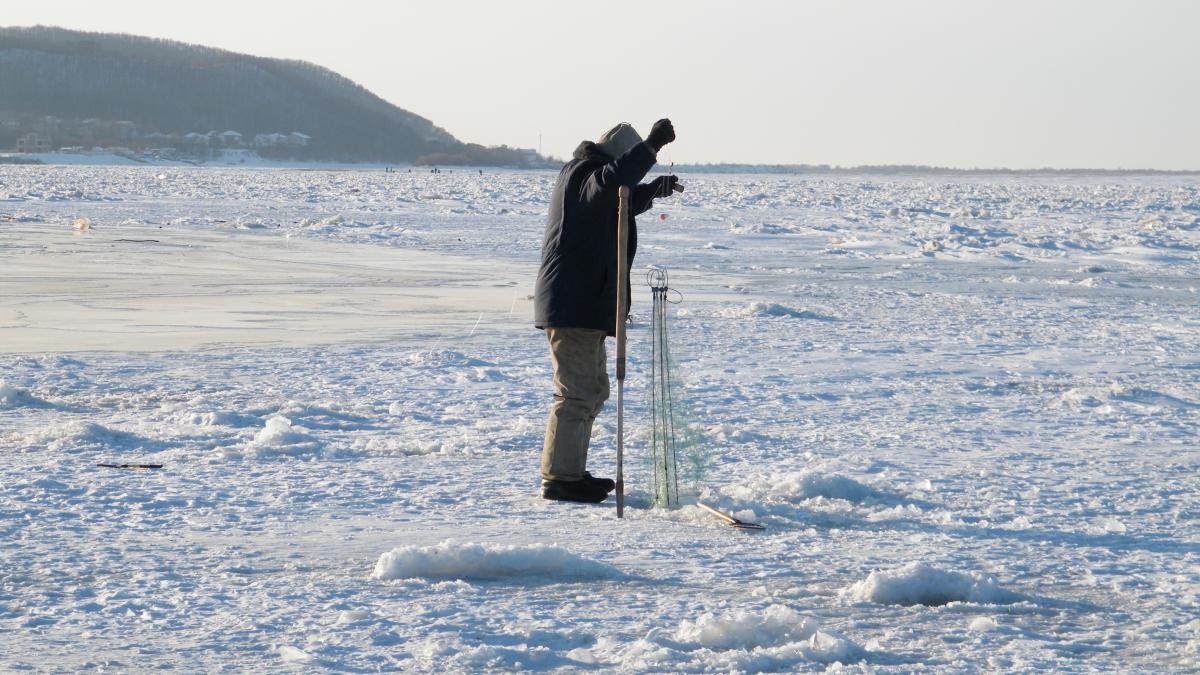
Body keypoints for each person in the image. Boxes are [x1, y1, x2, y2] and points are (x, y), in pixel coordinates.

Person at [534, 118, 681, 503]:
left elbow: (620, 200)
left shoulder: (588, 183)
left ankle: (570, 472)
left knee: (592, 390)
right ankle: (561, 478)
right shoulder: (585, 174)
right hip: (574, 305)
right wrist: (651, 147)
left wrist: (651, 191)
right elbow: (612, 183)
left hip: (584, 304)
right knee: (578, 393)